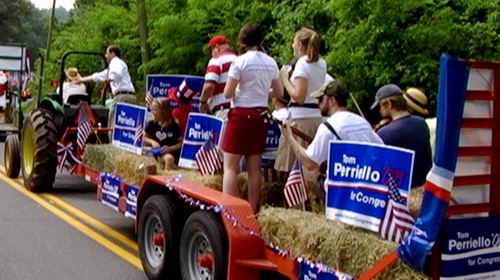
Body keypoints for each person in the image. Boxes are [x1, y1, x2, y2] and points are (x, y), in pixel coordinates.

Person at [282, 80, 383, 196]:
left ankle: (313, 208)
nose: (318, 103)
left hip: (340, 190)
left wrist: (289, 137)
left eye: (320, 99)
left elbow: (310, 163)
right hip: (366, 186)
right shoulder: (362, 122)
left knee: (307, 173)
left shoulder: (328, 127)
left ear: (331, 100)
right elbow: (381, 148)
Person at [222, 23, 283, 213]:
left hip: (241, 113)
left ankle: (230, 209)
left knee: (230, 166)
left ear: (242, 41)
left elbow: (227, 92)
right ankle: (253, 208)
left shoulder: (239, 62)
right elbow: (279, 91)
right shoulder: (271, 62)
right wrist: (263, 90)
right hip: (260, 114)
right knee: (254, 167)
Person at [274, 27, 327, 179]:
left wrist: (284, 79)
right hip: (315, 117)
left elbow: (299, 96)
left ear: (300, 45)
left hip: (300, 120)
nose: (292, 45)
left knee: (297, 168)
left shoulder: (303, 63)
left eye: (294, 42)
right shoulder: (321, 63)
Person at [371, 84, 432, 188]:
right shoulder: (421, 123)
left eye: (380, 106)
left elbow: (376, 167)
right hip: (423, 188)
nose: (379, 110)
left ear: (389, 104)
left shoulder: (385, 133)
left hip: (401, 192)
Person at [74, 45, 136, 127]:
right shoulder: (115, 66)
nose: (105, 56)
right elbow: (98, 76)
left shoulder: (115, 62)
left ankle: (112, 139)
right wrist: (81, 79)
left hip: (122, 97)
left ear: (112, 53)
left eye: (107, 53)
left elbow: (116, 74)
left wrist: (108, 80)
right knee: (128, 122)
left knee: (114, 121)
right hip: (129, 96)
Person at [199, 35, 237, 120]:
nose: (211, 55)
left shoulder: (217, 60)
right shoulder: (240, 60)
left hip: (224, 111)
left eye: (211, 51)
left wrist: (203, 101)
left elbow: (209, 86)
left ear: (217, 47)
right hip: (240, 109)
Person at [144, 98, 183, 171]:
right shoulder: (152, 124)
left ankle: (169, 175)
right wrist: (152, 142)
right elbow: (144, 137)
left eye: (155, 109)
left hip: (172, 152)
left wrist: (170, 148)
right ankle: (166, 177)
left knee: (170, 158)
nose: (152, 111)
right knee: (169, 158)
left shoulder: (174, 125)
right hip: (158, 153)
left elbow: (180, 143)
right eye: (152, 109)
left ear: (163, 111)